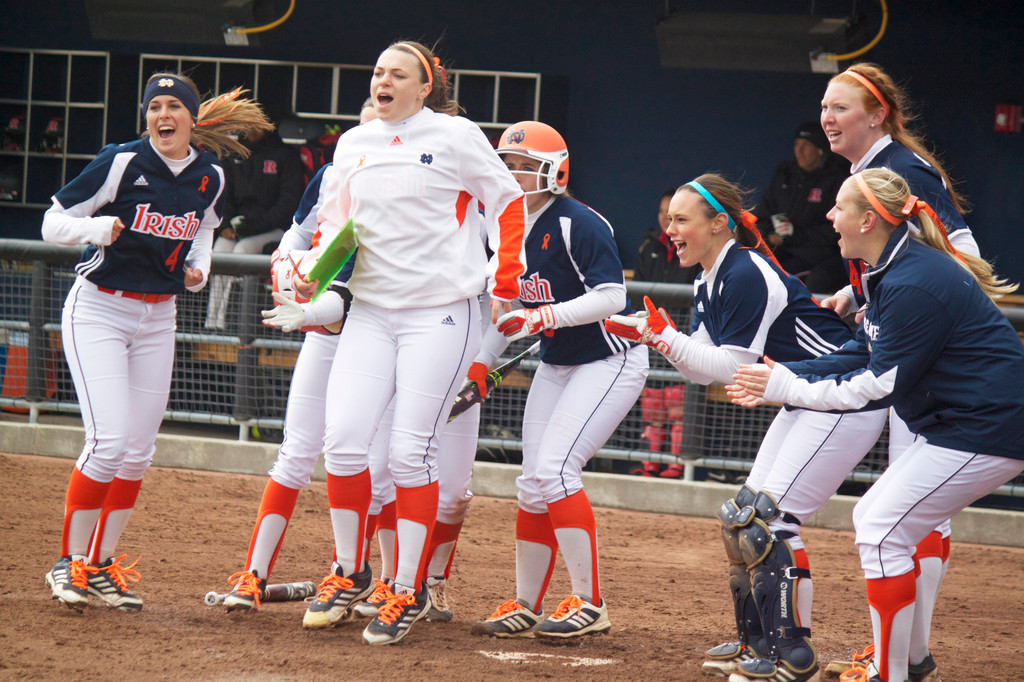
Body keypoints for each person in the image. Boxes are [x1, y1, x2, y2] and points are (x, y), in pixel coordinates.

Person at [727, 167, 1024, 682]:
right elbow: (861, 352)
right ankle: (908, 663)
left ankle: (893, 672)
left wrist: (786, 389)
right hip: (963, 424)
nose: (828, 215)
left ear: (868, 219)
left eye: (838, 207)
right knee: (885, 526)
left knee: (880, 527)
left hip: (988, 426)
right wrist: (789, 370)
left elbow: (876, 385)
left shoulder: (913, 279)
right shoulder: (888, 269)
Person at [603, 174, 887, 682]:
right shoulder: (711, 274)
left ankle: (791, 655)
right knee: (742, 518)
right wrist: (660, 339)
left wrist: (659, 335)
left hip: (840, 399)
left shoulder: (744, 270)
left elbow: (731, 366)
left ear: (719, 224)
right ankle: (755, 643)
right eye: (670, 219)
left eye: (682, 220)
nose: (671, 229)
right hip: (804, 398)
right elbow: (701, 366)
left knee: (771, 524)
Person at [307, 40, 527, 646]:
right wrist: (311, 274)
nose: (383, 80)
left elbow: (508, 198)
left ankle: (407, 588)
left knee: (410, 453)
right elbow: (333, 226)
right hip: (372, 312)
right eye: (378, 71)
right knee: (345, 443)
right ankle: (349, 571)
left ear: (424, 86)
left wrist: (505, 277)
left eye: (397, 74)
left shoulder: (455, 136)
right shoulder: (352, 144)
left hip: (440, 315)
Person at [40, 72, 271, 612]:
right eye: (154, 107)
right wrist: (93, 231)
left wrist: (199, 263)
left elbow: (207, 227)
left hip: (158, 316)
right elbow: (53, 222)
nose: (163, 115)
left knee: (138, 452)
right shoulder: (122, 162)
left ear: (194, 119)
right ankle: (66, 561)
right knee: (108, 440)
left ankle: (99, 566)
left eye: (174, 107)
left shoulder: (209, 174)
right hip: (99, 308)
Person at [818, 62, 982, 679]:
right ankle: (904, 652)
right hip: (912, 350)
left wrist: (922, 320)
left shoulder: (905, 171)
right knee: (908, 508)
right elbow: (906, 257)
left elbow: (962, 254)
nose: (828, 119)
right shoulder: (869, 174)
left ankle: (906, 655)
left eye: (841, 108)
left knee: (915, 511)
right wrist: (857, 294)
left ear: (877, 113)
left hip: (929, 359)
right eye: (826, 107)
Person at [470, 121, 648, 641]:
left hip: (609, 359)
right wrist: (482, 363)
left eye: (526, 166)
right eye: (507, 165)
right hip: (558, 361)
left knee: (556, 470)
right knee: (532, 482)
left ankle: (590, 603)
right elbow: (506, 311)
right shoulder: (501, 226)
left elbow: (613, 297)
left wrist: (543, 317)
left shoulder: (578, 223)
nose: (515, 174)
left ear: (555, 172)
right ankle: (527, 603)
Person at [205, 123, 304, 329]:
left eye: (257, 125)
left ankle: (236, 322)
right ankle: (213, 323)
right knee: (220, 251)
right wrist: (224, 224)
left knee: (242, 251)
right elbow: (223, 195)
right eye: (247, 125)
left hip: (274, 230)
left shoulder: (285, 155)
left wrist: (252, 227)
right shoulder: (233, 154)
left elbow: (287, 205)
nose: (251, 130)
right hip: (237, 228)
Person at [631, 189, 698, 478]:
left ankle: (675, 463)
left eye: (674, 216)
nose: (665, 221)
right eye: (663, 214)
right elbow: (640, 290)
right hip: (652, 332)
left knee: (676, 399)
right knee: (653, 399)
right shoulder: (650, 246)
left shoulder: (692, 249)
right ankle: (651, 461)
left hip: (681, 330)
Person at [754, 121, 849, 294]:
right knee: (754, 271)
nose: (799, 151)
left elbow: (834, 231)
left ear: (820, 150)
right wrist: (770, 235)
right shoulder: (786, 174)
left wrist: (794, 235)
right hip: (781, 250)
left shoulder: (836, 177)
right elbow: (763, 214)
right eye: (797, 144)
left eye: (806, 145)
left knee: (780, 279)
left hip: (818, 256)